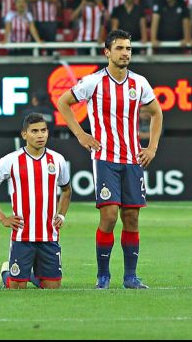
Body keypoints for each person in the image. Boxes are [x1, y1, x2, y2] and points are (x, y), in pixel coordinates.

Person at [57, 29, 164, 289]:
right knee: (109, 217)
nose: (125, 53)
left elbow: (156, 113)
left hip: (132, 159)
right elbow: (63, 102)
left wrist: (151, 148)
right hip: (105, 157)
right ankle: (103, 275)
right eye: (120, 48)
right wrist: (81, 134)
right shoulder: (94, 82)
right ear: (107, 52)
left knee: (132, 218)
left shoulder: (139, 83)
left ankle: (130, 277)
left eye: (128, 48)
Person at [0, 113, 72, 289]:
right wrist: (3, 218)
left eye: (43, 130)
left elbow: (67, 190)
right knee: (16, 288)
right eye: (34, 131)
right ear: (24, 134)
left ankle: (32, 274)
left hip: (49, 234)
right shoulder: (10, 160)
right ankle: (6, 273)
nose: (40, 135)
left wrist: (61, 214)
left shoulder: (58, 160)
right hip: (22, 235)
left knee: (53, 287)